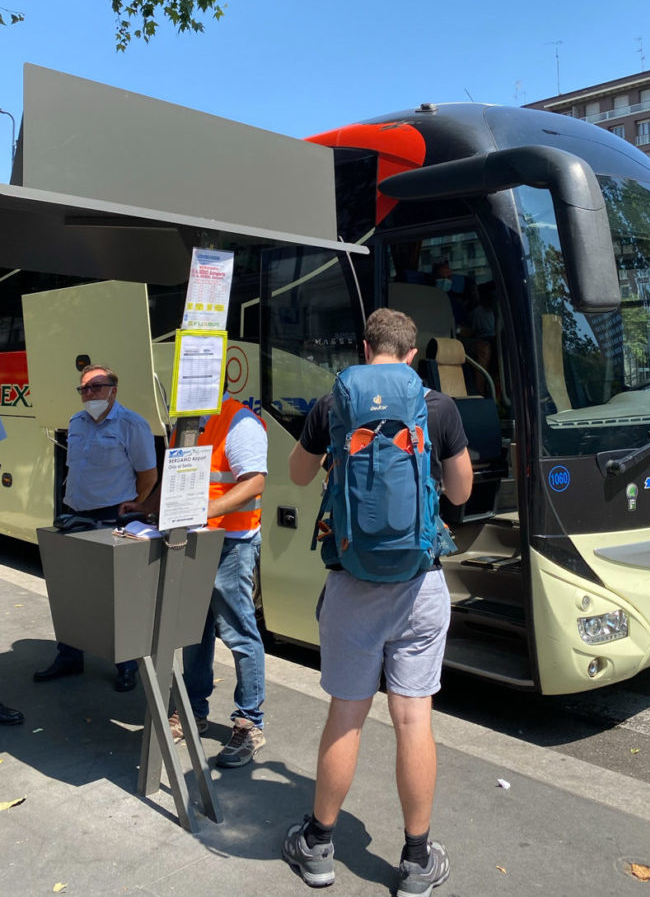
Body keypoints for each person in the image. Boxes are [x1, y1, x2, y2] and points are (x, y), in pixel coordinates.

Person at [283, 308, 472, 896]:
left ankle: (317, 845)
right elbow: (462, 491)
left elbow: (296, 473)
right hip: (420, 583)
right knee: (413, 718)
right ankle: (417, 859)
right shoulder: (436, 406)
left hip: (351, 582)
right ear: (413, 355)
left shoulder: (331, 403)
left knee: (347, 713)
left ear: (365, 347)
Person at [160, 390, 269, 769]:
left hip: (232, 544)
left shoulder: (239, 422)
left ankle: (249, 723)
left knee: (239, 633)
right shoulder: (187, 423)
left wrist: (209, 510)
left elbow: (254, 482)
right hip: (194, 541)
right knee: (195, 630)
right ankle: (192, 711)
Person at [33, 365, 157, 693]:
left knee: (115, 598)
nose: (89, 394)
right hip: (75, 517)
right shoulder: (76, 423)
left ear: (114, 390)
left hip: (110, 520)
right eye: (84, 389)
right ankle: (70, 656)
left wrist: (134, 505)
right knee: (72, 591)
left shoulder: (132, 425)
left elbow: (148, 476)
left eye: (96, 387)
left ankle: (126, 665)